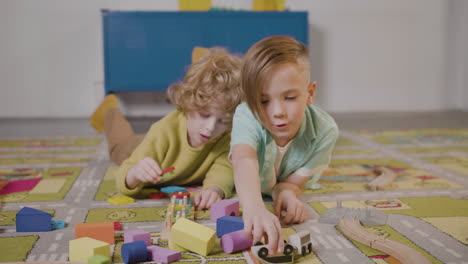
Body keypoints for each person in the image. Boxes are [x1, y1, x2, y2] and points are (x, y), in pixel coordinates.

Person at [90, 47, 243, 210]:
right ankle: (109, 111)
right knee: (119, 146)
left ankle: (209, 60)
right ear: (189, 103)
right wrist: (134, 174)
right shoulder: (163, 131)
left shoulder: (227, 135)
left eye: (223, 121)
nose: (210, 128)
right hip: (140, 146)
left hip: (168, 147)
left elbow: (224, 169)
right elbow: (123, 178)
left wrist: (214, 189)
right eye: (204, 115)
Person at [230, 36, 339, 255]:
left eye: (289, 97)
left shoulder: (325, 131)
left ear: (310, 93)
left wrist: (288, 192)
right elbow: (244, 159)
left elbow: (293, 183)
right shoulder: (246, 114)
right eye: (263, 101)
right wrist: (254, 208)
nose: (277, 111)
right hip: (253, 180)